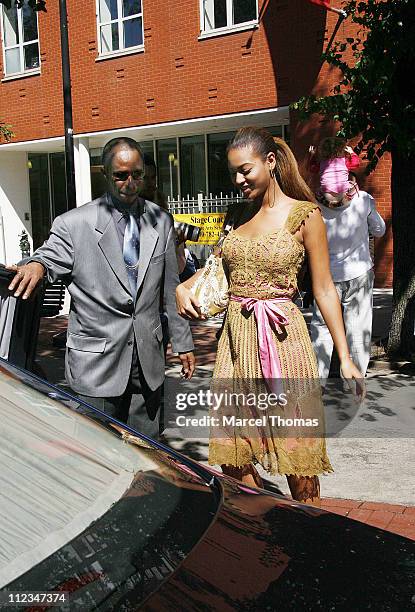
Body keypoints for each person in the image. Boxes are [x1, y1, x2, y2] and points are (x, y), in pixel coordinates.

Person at [176, 127, 364, 506]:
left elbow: (325, 288)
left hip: (283, 340)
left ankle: (308, 532)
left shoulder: (305, 215)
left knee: (298, 452)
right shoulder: (236, 215)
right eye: (233, 173)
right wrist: (184, 286)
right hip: (234, 343)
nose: (238, 180)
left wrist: (345, 356)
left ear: (271, 162)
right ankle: (270, 520)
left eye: (245, 170)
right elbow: (217, 269)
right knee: (233, 452)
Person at [7, 137, 195, 437]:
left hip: (147, 363)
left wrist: (183, 342)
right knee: (99, 456)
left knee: (148, 455)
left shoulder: (160, 220)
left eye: (137, 174)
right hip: (96, 365)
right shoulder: (75, 223)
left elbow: (170, 287)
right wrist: (35, 265)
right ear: (106, 175)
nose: (130, 182)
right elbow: (48, 255)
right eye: (121, 175)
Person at [309, 171, 386, 379]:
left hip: (326, 274)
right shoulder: (363, 201)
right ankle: (356, 382)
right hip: (359, 271)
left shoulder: (315, 205)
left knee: (322, 329)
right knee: (358, 329)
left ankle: (317, 381)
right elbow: (380, 230)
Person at [308, 137, 360, 206]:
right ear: (341, 149)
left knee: (318, 189)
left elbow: (312, 168)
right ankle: (349, 197)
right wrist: (352, 153)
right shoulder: (344, 162)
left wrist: (312, 155)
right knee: (353, 184)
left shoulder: (321, 164)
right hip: (343, 195)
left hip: (326, 197)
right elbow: (356, 163)